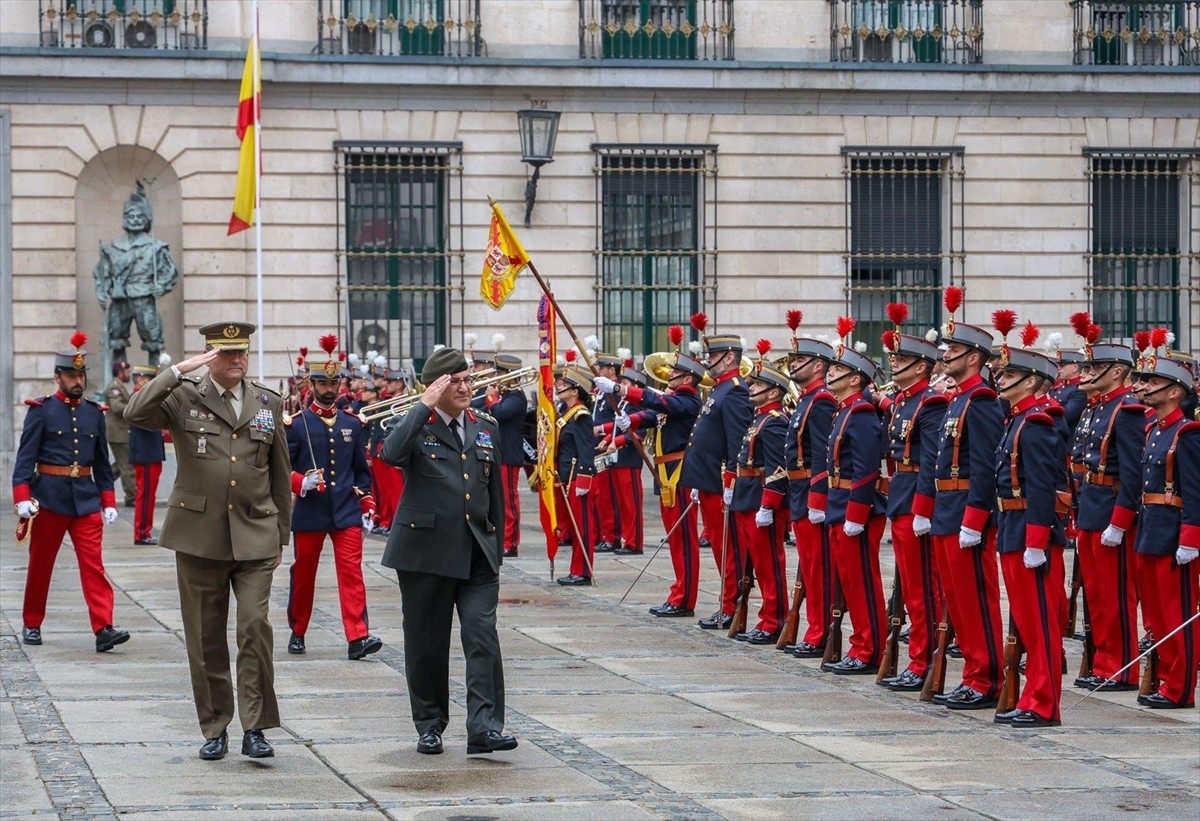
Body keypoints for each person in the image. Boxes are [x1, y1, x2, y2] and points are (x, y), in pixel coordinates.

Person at [124, 321, 291, 761]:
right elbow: (135, 412)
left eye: (242, 352)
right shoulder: (183, 397)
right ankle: (216, 725)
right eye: (226, 353)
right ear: (209, 356)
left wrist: (282, 536)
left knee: (255, 628)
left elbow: (278, 471)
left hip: (256, 533)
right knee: (205, 637)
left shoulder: (266, 402)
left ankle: (256, 727)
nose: (237, 359)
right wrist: (177, 370)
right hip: (199, 535)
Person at [379, 347, 517, 756]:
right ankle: (430, 723)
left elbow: (494, 492)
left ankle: (485, 727)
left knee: (482, 635)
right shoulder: (414, 424)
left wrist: (496, 545)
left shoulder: (486, 425)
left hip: (476, 549)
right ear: (434, 386)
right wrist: (421, 406)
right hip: (425, 552)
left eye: (467, 380)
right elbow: (390, 454)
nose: (464, 388)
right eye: (454, 382)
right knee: (427, 642)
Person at [12, 332, 129, 653]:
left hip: (86, 499)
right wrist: (22, 495)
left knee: (94, 566)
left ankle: (104, 627)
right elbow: (25, 460)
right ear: (57, 377)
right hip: (49, 499)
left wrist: (108, 499)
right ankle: (32, 621)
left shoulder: (94, 412)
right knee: (41, 564)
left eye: (81, 375)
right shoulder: (41, 411)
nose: (78, 381)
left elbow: (103, 463)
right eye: (71, 376)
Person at [928, 288, 1006, 710]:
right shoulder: (958, 399)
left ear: (974, 357)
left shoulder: (982, 401)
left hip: (966, 513)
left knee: (976, 598)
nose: (946, 355)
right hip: (947, 510)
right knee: (958, 601)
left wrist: (975, 518)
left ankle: (987, 676)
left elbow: (985, 465)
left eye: (954, 349)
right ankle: (973, 673)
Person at [990, 325, 1070, 727]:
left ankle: (1044, 702)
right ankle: (1031, 695)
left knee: (1039, 623)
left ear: (1032, 381)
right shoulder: (1018, 419)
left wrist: (1036, 541)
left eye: (1007, 375)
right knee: (1025, 619)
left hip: (1030, 530)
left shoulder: (1037, 423)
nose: (1000, 380)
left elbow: (1041, 486)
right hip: (1013, 525)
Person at [285, 335, 381, 661]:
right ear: (311, 384)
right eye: (322, 383)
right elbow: (281, 468)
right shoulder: (296, 425)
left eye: (333, 382)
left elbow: (361, 471)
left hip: (345, 509)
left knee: (352, 573)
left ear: (341, 383)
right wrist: (301, 482)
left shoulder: (353, 424)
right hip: (311, 510)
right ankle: (298, 629)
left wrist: (366, 502)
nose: (329, 388)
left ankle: (358, 636)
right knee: (304, 573)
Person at [598, 327, 704, 616]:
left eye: (675, 373)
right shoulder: (674, 400)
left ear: (688, 378)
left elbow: (660, 403)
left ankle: (685, 598)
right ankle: (678, 592)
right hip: (666, 472)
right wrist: (620, 422)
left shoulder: (688, 400)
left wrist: (621, 389)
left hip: (680, 472)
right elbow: (649, 415)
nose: (669, 375)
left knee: (684, 539)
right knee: (675, 537)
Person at [810, 322, 887, 675]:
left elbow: (867, 467)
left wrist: (856, 513)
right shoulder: (844, 410)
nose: (831, 372)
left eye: (839, 369)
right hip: (838, 503)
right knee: (849, 581)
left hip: (855, 508)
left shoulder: (861, 413)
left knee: (862, 582)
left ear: (856, 379)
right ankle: (860, 643)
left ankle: (869, 648)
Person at [1070, 336, 1145, 693]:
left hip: (1110, 511)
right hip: (1090, 507)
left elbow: (1133, 473)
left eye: (1095, 367)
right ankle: (1103, 662)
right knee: (1096, 596)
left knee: (1116, 595)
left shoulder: (1126, 410)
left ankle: (1122, 667)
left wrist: (1121, 520)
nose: (1087, 373)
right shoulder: (1095, 407)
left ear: (1117, 372)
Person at [878, 314, 948, 691]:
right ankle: (917, 659)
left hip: (916, 504)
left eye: (900, 360)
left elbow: (932, 460)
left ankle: (924, 663)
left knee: (923, 591)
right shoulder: (906, 402)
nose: (893, 364)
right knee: (910, 588)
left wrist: (923, 508)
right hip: (901, 500)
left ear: (920, 366)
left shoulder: (930, 404)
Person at [1131, 335, 1198, 709]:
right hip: (1151, 529)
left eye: (1155, 383)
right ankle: (1163, 678)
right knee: (1156, 615)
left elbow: (1195, 490)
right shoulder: (1154, 429)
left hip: (1174, 534)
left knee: (1178, 615)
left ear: (1176, 392)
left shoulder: (1186, 433)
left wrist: (1191, 537)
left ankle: (1180, 688)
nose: (1146, 388)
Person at [680, 314, 753, 630]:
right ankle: (725, 604)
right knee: (722, 551)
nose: (708, 361)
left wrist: (731, 479)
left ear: (729, 358)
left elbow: (737, 440)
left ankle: (730, 607)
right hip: (708, 479)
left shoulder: (734, 390)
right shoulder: (720, 389)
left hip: (721, 480)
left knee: (729, 551)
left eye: (713, 356)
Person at [781, 324, 837, 658]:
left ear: (818, 365)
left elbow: (822, 455)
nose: (793, 364)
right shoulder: (807, 400)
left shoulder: (821, 401)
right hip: (799, 492)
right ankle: (814, 628)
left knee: (819, 570)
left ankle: (820, 632)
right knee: (810, 568)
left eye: (800, 359)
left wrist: (818, 498)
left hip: (811, 494)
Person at [730, 354, 791, 644]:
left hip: (760, 500)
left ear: (775, 392)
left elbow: (778, 469)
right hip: (747, 496)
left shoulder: (775, 422)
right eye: (752, 383)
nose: (751, 388)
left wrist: (769, 504)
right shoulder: (761, 419)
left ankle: (774, 620)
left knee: (770, 565)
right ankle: (765, 617)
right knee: (756, 565)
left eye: (758, 385)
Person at [92, 183, 179, 364]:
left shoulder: (155, 246)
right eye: (130, 216)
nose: (135, 219)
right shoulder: (114, 247)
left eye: (140, 216)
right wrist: (102, 289)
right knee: (116, 339)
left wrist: (161, 286)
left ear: (147, 220)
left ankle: (156, 384)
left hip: (144, 296)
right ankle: (117, 386)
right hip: (119, 297)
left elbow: (170, 271)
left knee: (152, 338)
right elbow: (102, 272)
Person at [471, 353, 529, 557]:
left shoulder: (517, 396)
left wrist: (490, 396)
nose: (496, 376)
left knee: (507, 501)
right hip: (493, 453)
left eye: (500, 373)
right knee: (494, 501)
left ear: (510, 375)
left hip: (508, 454)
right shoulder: (503, 395)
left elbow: (499, 413)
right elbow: (475, 408)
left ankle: (510, 543)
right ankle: (499, 538)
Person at [554, 366, 599, 586]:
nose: (559, 388)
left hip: (576, 478)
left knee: (582, 526)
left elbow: (586, 449)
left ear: (576, 390)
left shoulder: (581, 415)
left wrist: (584, 478)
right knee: (575, 526)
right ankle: (576, 569)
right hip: (566, 476)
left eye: (564, 386)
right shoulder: (567, 412)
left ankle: (582, 572)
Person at [129, 364, 166, 545]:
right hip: (145, 453)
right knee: (145, 496)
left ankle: (144, 530)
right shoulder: (139, 397)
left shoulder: (143, 397)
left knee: (149, 496)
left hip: (150, 452)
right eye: (150, 381)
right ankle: (141, 532)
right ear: (141, 380)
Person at [103, 359, 136, 506]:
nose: (129, 374)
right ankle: (131, 497)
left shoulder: (119, 386)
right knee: (127, 466)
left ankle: (99, 486)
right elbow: (116, 407)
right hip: (118, 433)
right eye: (127, 372)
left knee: (120, 465)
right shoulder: (114, 387)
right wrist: (134, 405)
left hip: (121, 432)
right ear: (120, 373)